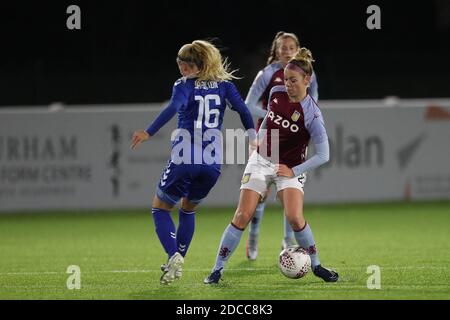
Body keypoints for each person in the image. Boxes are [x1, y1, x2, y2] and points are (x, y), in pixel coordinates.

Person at [204, 48, 338, 284]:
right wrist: (258, 138)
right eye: (286, 79)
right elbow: (269, 117)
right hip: (262, 160)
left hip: (290, 167)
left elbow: (324, 155)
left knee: (295, 218)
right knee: (243, 214)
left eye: (293, 80)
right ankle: (217, 269)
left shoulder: (313, 115)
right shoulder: (277, 92)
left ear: (307, 80)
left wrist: (293, 171)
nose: (288, 84)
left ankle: (316, 265)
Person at [131, 40, 256, 285]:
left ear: (189, 65)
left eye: (181, 63)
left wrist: (149, 132)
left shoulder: (184, 85)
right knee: (188, 209)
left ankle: (173, 255)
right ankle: (176, 263)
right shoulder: (224, 86)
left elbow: (173, 107)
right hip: (212, 163)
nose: (179, 68)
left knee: (160, 208)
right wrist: (253, 138)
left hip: (185, 157)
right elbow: (243, 110)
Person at [244, 31, 319, 261]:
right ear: (276, 51)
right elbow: (248, 105)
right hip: (267, 137)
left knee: (289, 191)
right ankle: (254, 236)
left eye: (291, 47)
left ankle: (288, 240)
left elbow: (314, 104)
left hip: (294, 138)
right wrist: (276, 114)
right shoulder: (267, 73)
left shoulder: (309, 75)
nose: (286, 51)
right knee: (261, 193)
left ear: (297, 49)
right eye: (282, 48)